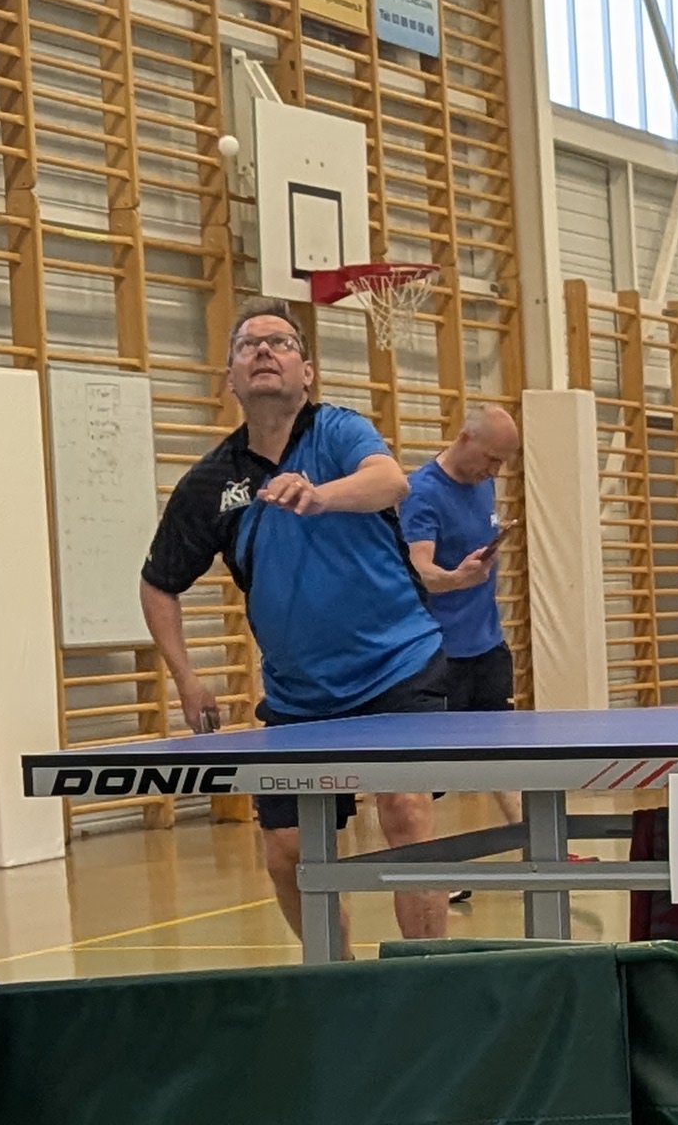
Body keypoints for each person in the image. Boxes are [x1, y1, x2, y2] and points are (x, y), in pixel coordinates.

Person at [142, 297, 450, 948]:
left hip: (396, 666)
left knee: (405, 810)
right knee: (286, 853)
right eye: (249, 344)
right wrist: (187, 679)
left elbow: (391, 481)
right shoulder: (212, 484)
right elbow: (158, 585)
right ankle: (333, 973)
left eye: (280, 343)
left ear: (306, 371)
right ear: (229, 377)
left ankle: (428, 974)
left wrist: (320, 494)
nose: (263, 351)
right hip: (300, 694)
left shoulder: (336, 433)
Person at [403, 403, 522, 711]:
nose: (495, 471)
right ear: (466, 438)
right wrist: (458, 579)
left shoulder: (484, 482)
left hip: (489, 648)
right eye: (492, 459)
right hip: (444, 657)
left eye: (502, 463)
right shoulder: (422, 493)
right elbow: (418, 574)